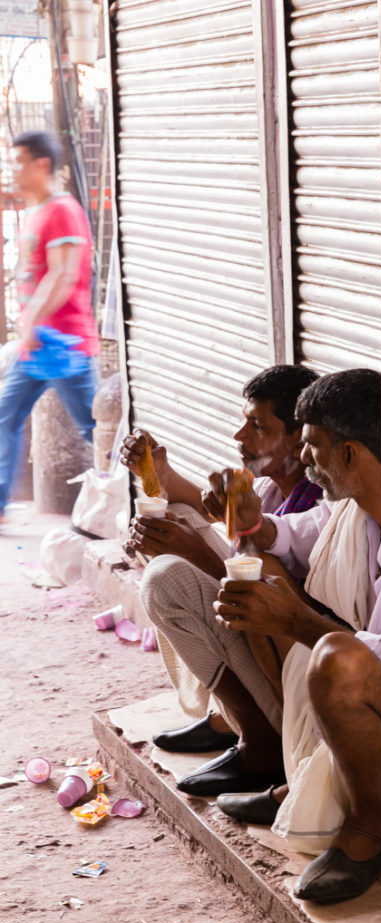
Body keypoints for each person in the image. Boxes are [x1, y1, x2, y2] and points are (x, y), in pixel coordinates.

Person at [212, 369, 381, 904]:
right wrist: (257, 525)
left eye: (311, 446)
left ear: (352, 454)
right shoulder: (353, 511)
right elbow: (301, 532)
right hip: (377, 678)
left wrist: (297, 621)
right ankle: (303, 774)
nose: (305, 462)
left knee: (337, 655)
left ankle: (368, 829)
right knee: (261, 575)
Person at [122, 364, 322, 757]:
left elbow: (274, 596)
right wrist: (159, 472)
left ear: (299, 437)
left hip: (298, 660)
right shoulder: (271, 485)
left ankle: (258, 734)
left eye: (258, 427)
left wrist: (193, 552)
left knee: (169, 577)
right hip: (263, 617)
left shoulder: (321, 506)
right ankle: (227, 714)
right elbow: (203, 506)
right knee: (176, 512)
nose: (239, 437)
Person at [0, 131, 99, 524]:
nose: (14, 169)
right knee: (4, 416)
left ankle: (143, 491)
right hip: (39, 343)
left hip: (64, 342)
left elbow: (63, 275)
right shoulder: (38, 210)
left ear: (42, 164)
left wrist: (32, 322)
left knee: (95, 426)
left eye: (20, 160)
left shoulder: (62, 210)